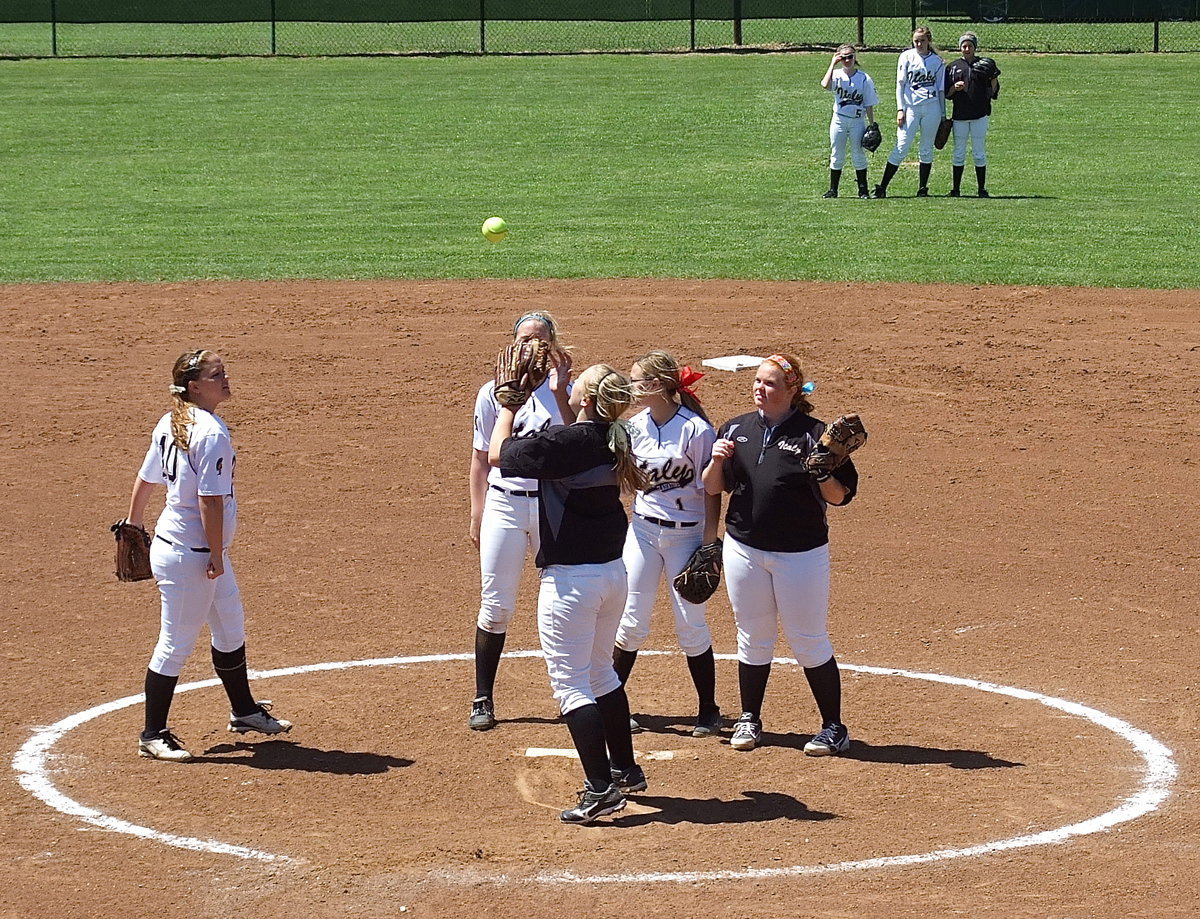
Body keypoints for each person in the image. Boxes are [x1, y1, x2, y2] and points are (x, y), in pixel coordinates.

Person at [489, 363, 648, 824]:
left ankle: (600, 788)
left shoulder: (570, 442)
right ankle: (626, 771)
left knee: (572, 684)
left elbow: (501, 453)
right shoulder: (612, 436)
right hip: (611, 575)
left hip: (571, 583)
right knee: (601, 674)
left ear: (588, 398)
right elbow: (571, 433)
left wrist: (509, 408)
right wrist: (560, 391)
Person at [124, 349, 292, 762]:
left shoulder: (172, 421)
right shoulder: (210, 432)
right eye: (218, 375)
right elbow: (210, 502)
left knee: (230, 627)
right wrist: (216, 555)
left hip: (189, 550)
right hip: (193, 556)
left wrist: (133, 525)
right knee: (175, 644)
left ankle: (245, 711)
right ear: (195, 386)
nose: (226, 379)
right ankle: (153, 733)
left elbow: (146, 480)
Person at [701, 353, 858, 756]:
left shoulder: (816, 435)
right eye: (757, 381)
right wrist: (717, 461)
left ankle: (833, 726)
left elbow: (839, 498)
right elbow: (715, 488)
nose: (760, 388)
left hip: (800, 555)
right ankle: (749, 718)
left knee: (808, 639)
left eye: (770, 383)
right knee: (752, 637)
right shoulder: (736, 430)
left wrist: (823, 470)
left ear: (792, 391)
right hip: (744, 549)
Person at [467, 311, 573, 732]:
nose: (532, 347)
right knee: (495, 606)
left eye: (541, 340)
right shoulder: (491, 393)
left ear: (553, 344)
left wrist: (563, 390)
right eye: (525, 339)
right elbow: (480, 458)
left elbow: (577, 440)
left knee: (564, 602)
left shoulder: (566, 389)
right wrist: (478, 510)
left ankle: (572, 694)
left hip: (551, 505)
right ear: (511, 344)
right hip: (505, 505)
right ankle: (483, 697)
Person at [612, 351, 723, 738]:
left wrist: (709, 543)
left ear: (657, 385)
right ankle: (614, 702)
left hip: (686, 534)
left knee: (690, 624)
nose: (631, 387)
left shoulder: (696, 430)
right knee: (630, 619)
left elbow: (711, 490)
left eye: (637, 380)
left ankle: (709, 710)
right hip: (642, 531)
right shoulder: (633, 427)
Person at [873, 26, 945, 198]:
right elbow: (900, 85)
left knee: (926, 148)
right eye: (916, 41)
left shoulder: (937, 61)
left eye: (922, 41)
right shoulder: (906, 57)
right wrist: (900, 109)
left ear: (929, 41)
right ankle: (882, 187)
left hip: (932, 107)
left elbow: (941, 89)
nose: (919, 44)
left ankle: (922, 188)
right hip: (911, 108)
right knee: (902, 145)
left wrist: (943, 115)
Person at [945, 32, 1001, 197]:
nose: (967, 48)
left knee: (979, 151)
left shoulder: (983, 64)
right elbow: (947, 94)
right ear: (960, 48)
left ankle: (981, 189)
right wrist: (954, 88)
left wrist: (993, 76)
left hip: (979, 114)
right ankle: (955, 189)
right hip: (960, 115)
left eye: (970, 45)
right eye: (964, 46)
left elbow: (993, 91)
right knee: (958, 152)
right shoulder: (953, 67)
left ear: (975, 47)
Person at [819, 44, 879, 200]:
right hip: (839, 119)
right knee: (836, 153)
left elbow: (868, 104)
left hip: (857, 121)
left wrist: (872, 125)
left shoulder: (864, 79)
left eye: (850, 56)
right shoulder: (837, 74)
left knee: (858, 154)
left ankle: (863, 190)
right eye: (843, 57)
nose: (847, 60)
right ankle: (833, 190)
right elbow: (825, 85)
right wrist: (832, 63)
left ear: (855, 57)